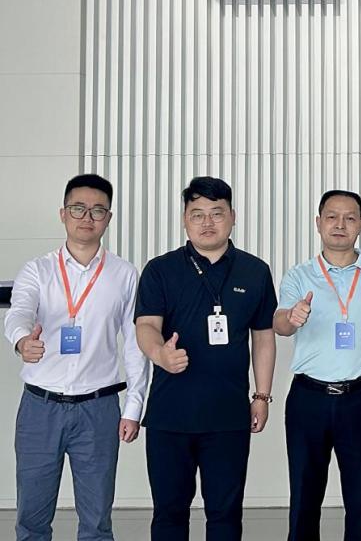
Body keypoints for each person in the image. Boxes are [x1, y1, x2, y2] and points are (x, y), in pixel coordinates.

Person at [3, 173, 149, 541]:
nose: (87, 217)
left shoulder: (124, 274)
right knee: (32, 520)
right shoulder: (37, 270)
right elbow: (19, 312)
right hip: (40, 409)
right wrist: (22, 340)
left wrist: (133, 407)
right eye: (78, 208)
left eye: (98, 210)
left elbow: (135, 344)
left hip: (98, 410)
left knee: (97, 522)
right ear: (63, 214)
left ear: (108, 218)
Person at [134, 176, 277, 541]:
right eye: (197, 214)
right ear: (185, 219)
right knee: (169, 513)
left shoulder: (255, 271)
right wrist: (160, 354)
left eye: (217, 212)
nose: (207, 222)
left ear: (233, 216)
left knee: (225, 515)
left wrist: (262, 395)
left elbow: (263, 337)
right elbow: (146, 325)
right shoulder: (160, 270)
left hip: (228, 416)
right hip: (170, 415)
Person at [275, 189, 361, 541]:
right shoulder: (299, 275)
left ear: (360, 225)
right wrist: (292, 317)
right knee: (304, 496)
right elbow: (279, 324)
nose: (340, 224)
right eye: (332, 217)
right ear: (318, 223)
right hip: (309, 398)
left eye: (350, 218)